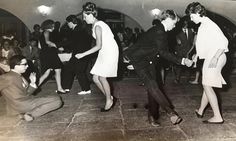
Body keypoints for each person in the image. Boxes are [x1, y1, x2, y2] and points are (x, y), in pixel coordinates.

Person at [123, 10, 193, 126]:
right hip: (140, 61)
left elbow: (145, 46)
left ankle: (152, 116)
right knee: (152, 85)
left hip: (148, 61)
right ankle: (171, 113)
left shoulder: (159, 30)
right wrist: (182, 60)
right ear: (168, 19)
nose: (175, 26)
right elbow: (163, 52)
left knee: (153, 88)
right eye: (174, 23)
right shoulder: (159, 31)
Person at [185, 2, 228, 124]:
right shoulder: (204, 25)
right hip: (213, 56)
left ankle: (217, 117)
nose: (191, 19)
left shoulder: (209, 25)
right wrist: (196, 55)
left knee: (207, 85)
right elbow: (206, 45)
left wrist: (215, 57)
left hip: (216, 56)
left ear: (198, 13)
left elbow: (224, 42)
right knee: (207, 84)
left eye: (192, 16)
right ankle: (200, 111)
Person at [75, 2, 119, 111]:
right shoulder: (96, 25)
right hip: (104, 51)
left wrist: (83, 54)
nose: (84, 19)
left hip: (109, 51)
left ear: (91, 15)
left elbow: (98, 45)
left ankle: (109, 100)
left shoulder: (98, 26)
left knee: (102, 77)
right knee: (95, 78)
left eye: (85, 17)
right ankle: (110, 97)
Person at [0, 55, 62, 121]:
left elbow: (26, 93)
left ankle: (23, 115)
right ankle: (30, 114)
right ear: (16, 66)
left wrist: (32, 83)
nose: (27, 66)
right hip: (20, 104)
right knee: (57, 100)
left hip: (25, 102)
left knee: (56, 99)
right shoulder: (7, 77)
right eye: (24, 64)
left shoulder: (18, 75)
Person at [62, 15, 93, 94]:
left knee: (79, 71)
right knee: (69, 69)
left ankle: (86, 89)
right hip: (79, 54)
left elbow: (71, 43)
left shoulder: (76, 31)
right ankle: (66, 88)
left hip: (80, 54)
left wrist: (59, 46)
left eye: (68, 23)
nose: (67, 24)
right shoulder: (81, 30)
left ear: (71, 22)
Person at [38, 19, 66, 94]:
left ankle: (33, 88)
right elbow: (47, 42)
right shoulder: (47, 32)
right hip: (50, 54)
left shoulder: (42, 33)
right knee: (57, 70)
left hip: (45, 54)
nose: (54, 27)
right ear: (49, 26)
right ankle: (59, 88)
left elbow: (40, 46)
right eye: (53, 26)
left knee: (48, 72)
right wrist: (57, 47)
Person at [173, 16, 195, 83]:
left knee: (188, 65)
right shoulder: (177, 31)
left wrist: (191, 51)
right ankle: (177, 78)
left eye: (186, 23)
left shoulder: (190, 31)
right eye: (184, 24)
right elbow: (175, 42)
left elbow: (192, 41)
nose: (186, 25)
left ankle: (187, 79)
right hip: (180, 51)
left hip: (188, 51)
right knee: (179, 65)